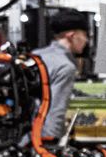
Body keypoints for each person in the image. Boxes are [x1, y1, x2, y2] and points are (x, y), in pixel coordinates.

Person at [31, 9, 90, 142]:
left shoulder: (37, 55)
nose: (86, 40)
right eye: (84, 35)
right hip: (40, 138)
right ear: (72, 35)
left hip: (20, 136)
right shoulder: (65, 66)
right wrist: (50, 146)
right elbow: (55, 110)